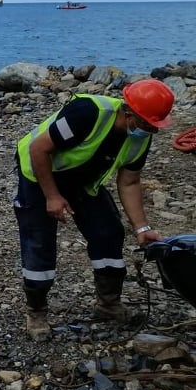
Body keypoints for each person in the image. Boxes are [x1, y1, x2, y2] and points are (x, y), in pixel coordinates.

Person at [14, 79, 174, 340]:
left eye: (155, 126)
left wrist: (142, 228)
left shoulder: (141, 137)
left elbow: (130, 181)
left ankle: (108, 304)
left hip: (82, 180)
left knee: (108, 232)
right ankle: (36, 311)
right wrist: (52, 196)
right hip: (38, 173)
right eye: (146, 124)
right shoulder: (88, 113)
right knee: (39, 243)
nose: (151, 131)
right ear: (128, 113)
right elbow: (38, 149)